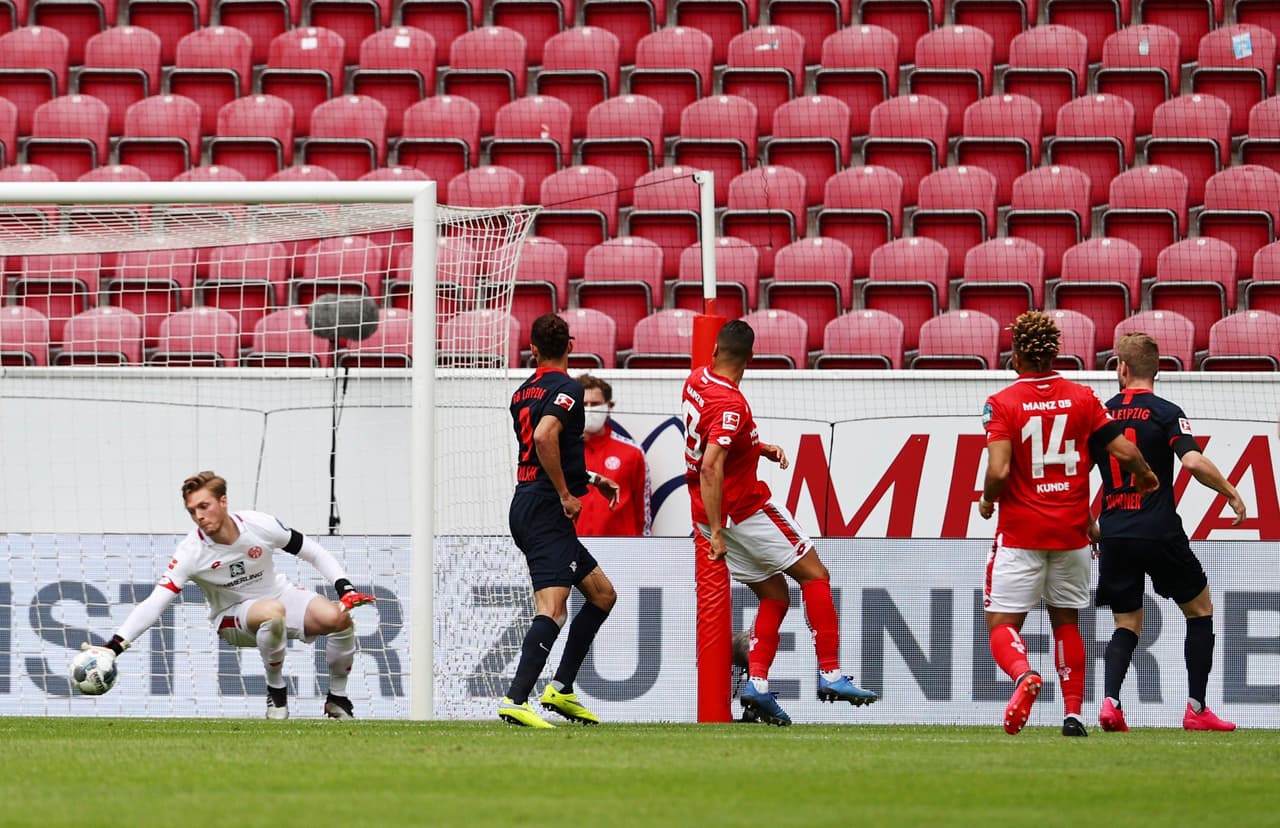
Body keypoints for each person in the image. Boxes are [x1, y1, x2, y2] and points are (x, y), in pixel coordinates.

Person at [683, 319, 877, 726]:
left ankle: (756, 684)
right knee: (815, 574)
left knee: (775, 597)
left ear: (714, 350)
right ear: (751, 360)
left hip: (705, 514)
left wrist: (758, 448)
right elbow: (711, 465)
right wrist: (719, 530)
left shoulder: (697, 379)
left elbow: (715, 439)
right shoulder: (732, 405)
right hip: (742, 511)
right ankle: (831, 673)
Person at [979, 311, 1158, 737]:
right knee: (1066, 623)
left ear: (1016, 355)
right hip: (1073, 533)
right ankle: (1073, 714)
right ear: (1054, 352)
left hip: (1021, 533)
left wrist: (987, 499)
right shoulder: (1083, 398)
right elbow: (1125, 452)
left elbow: (1000, 471)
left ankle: (1024, 676)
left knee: (1002, 625)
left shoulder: (1002, 403)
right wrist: (1147, 476)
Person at [95, 471, 376, 720]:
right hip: (232, 616)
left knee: (339, 618)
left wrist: (345, 588)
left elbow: (313, 552)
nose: (199, 516)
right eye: (192, 511)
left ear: (223, 502)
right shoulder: (191, 553)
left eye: (204, 506)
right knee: (272, 612)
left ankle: (337, 699)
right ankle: (276, 692)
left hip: (277, 593)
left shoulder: (260, 525)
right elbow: (155, 602)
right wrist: (113, 647)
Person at [1088, 332, 1247, 732]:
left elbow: (1076, 477)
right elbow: (1192, 462)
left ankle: (1110, 704)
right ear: (1156, 370)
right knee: (1200, 609)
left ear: (1121, 368)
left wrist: (1090, 526)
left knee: (1126, 623)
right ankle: (1196, 709)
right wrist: (1230, 492)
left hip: (1115, 533)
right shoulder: (1166, 411)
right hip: (1158, 530)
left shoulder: (1100, 416)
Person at [500, 313, 620, 728]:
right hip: (547, 507)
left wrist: (589, 478)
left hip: (531, 500)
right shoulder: (568, 388)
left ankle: (561, 689)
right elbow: (545, 438)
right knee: (553, 610)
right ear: (571, 344)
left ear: (532, 348)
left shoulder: (520, 393)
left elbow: (541, 450)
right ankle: (516, 699)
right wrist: (568, 495)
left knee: (602, 595)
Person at [577, 373, 652, 537]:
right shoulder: (561, 451)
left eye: (595, 404)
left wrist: (644, 548)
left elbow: (643, 511)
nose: (589, 409)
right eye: (584, 404)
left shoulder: (631, 452)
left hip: (621, 549)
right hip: (573, 548)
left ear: (608, 405)